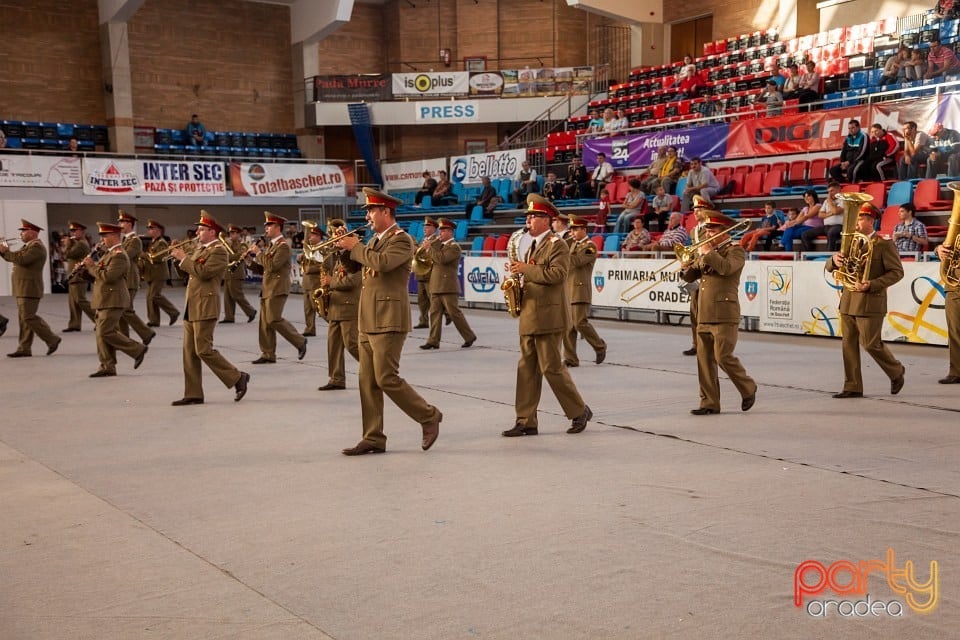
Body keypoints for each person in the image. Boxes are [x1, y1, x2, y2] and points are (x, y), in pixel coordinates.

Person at [335, 188, 443, 455]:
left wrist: (355, 246)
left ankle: (428, 416)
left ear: (386, 211)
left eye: (372, 210)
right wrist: (342, 250)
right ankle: (373, 437)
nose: (369, 216)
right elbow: (356, 269)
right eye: (368, 212)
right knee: (367, 382)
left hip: (389, 319)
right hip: (368, 318)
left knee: (386, 378)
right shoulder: (372, 241)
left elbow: (382, 264)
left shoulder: (402, 240)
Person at [502, 194, 593, 437]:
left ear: (546, 219)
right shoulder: (527, 244)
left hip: (550, 316)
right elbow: (530, 274)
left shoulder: (557, 245)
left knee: (552, 368)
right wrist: (515, 278)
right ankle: (526, 420)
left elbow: (557, 275)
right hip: (530, 314)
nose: (529, 220)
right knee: (526, 370)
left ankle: (579, 411)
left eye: (533, 216)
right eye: (528, 216)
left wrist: (525, 269)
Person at [679, 212, 757, 415]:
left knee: (723, 356)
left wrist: (707, 252)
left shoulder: (736, 251)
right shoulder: (706, 252)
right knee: (704, 362)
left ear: (723, 233)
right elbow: (691, 275)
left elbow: (725, 269)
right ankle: (709, 403)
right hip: (704, 312)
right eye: (707, 230)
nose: (707, 233)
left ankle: (748, 387)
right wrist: (684, 267)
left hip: (724, 313)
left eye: (712, 230)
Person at [825, 203, 905, 398]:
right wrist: (833, 261)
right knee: (848, 345)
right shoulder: (850, 241)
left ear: (870, 220)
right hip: (848, 300)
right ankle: (852, 386)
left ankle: (896, 371)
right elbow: (831, 266)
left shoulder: (884, 244)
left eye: (860, 219)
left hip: (871, 301)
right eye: (856, 218)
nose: (856, 223)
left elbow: (897, 272)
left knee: (871, 343)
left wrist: (874, 284)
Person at [168, 212, 249, 406]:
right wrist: (177, 259)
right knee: (189, 352)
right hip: (192, 304)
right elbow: (190, 271)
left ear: (212, 232)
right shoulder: (200, 249)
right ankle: (193, 393)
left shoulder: (219, 251)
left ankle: (237, 377)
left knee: (203, 349)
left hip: (205, 304)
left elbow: (203, 273)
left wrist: (183, 258)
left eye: (202, 229)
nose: (197, 232)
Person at [84, 222, 148, 377]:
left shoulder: (119, 255)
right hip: (104, 298)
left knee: (106, 331)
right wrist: (85, 270)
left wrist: (92, 266)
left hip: (114, 298)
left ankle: (137, 349)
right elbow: (98, 275)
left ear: (114, 236)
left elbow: (108, 276)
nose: (102, 239)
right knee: (101, 334)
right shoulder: (109, 253)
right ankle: (107, 365)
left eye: (104, 236)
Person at [247, 211, 308, 364]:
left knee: (273, 319)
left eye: (269, 225)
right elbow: (264, 269)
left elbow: (273, 266)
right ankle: (268, 353)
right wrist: (249, 261)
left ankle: (299, 341)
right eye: (266, 225)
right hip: (268, 287)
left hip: (277, 287)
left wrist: (259, 254)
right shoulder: (272, 246)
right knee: (265, 322)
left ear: (277, 227)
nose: (266, 228)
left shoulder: (283, 247)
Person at [0, 220, 61, 358]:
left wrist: (5, 250)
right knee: (24, 319)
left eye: (24, 231)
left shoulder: (36, 248)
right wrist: (3, 251)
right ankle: (24, 348)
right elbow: (15, 258)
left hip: (29, 288)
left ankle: (52, 339)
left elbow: (20, 260)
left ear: (33, 233)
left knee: (28, 317)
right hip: (23, 287)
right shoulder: (28, 246)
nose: (21, 234)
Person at [420, 217, 477, 350]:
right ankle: (433, 340)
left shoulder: (454, 247)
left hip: (448, 286)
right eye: (440, 230)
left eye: (443, 231)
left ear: (451, 232)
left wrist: (430, 248)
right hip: (435, 284)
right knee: (434, 314)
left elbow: (442, 259)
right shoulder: (440, 245)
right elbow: (430, 258)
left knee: (454, 313)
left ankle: (469, 336)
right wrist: (426, 248)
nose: (440, 233)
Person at [317, 218, 361, 391]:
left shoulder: (354, 257)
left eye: (339, 239)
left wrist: (330, 281)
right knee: (333, 345)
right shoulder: (336, 257)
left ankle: (375, 369)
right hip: (336, 306)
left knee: (352, 344)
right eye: (335, 238)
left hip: (349, 306)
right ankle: (336, 378)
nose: (336, 241)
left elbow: (353, 281)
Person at [562, 215, 606, 367]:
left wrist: (562, 252)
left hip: (580, 289)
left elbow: (577, 261)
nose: (572, 233)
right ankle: (570, 358)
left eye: (575, 230)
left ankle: (600, 346)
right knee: (568, 326)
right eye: (572, 230)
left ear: (583, 229)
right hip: (568, 289)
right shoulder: (572, 244)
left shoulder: (590, 246)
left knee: (580, 323)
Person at [116, 210, 155, 346]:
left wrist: (113, 249)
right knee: (122, 311)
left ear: (129, 224)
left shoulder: (135, 240)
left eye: (122, 222)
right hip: (123, 279)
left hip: (130, 279)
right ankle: (124, 339)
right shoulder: (124, 240)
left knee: (125, 310)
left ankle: (146, 333)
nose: (120, 224)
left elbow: (126, 256)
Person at [142, 220, 180, 327]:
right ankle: (154, 320)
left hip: (159, 273)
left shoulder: (161, 242)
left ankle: (173, 312)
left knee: (154, 295)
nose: (149, 231)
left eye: (151, 228)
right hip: (151, 273)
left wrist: (144, 255)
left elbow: (160, 257)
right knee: (150, 296)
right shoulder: (153, 242)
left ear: (158, 230)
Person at [63, 221, 97, 332]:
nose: (72, 233)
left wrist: (67, 245)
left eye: (74, 230)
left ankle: (98, 320)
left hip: (79, 275)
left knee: (80, 300)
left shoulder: (82, 244)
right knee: (73, 301)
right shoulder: (78, 243)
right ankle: (74, 324)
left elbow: (68, 255)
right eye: (71, 230)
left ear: (82, 232)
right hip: (75, 276)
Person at [221, 224, 257, 324]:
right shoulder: (228, 245)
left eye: (233, 233)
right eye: (230, 233)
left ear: (238, 234)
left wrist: (228, 256)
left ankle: (250, 311)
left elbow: (239, 256)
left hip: (237, 273)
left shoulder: (242, 245)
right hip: (228, 272)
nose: (231, 235)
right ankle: (229, 317)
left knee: (237, 295)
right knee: (227, 296)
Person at [936, 240, 960, 384]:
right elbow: (944, 246)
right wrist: (938, 249)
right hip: (954, 285)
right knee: (955, 331)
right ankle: (956, 371)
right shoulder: (957, 230)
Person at [298, 221, 324, 337]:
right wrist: (300, 259)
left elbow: (325, 265)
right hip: (307, 283)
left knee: (318, 308)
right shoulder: (309, 248)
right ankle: (310, 328)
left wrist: (311, 269)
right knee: (307, 308)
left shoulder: (323, 248)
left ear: (318, 236)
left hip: (316, 282)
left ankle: (333, 322)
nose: (309, 237)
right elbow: (305, 262)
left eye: (312, 235)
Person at [801, 182, 843, 252]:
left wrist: (830, 202)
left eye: (832, 191)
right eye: (828, 191)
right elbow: (820, 215)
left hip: (838, 226)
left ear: (838, 190)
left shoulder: (843, 200)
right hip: (826, 226)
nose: (829, 193)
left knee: (831, 233)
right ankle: (809, 255)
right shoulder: (826, 201)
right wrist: (830, 213)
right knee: (805, 234)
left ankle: (829, 256)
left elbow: (836, 211)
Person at [413, 216, 438, 329]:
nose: (424, 228)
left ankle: (436, 320)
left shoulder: (436, 241)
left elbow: (435, 255)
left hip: (430, 274)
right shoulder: (423, 240)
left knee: (432, 299)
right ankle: (423, 320)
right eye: (424, 226)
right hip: (421, 274)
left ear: (433, 228)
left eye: (427, 226)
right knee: (421, 300)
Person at [829, 119, 868, 184]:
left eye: (853, 128)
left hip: (860, 160)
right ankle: (845, 184)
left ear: (858, 127)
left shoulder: (863, 136)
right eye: (849, 128)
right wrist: (842, 162)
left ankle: (853, 186)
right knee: (833, 170)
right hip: (847, 162)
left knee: (851, 171)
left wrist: (849, 162)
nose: (850, 130)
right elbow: (843, 151)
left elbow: (861, 152)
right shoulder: (848, 138)